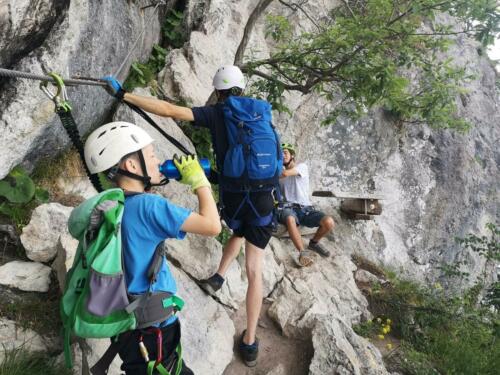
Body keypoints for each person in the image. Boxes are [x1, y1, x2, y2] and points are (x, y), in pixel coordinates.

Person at [102, 65, 279, 367]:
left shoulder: (217, 113)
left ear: (218, 91)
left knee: (237, 230)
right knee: (253, 268)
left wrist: (124, 94)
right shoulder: (262, 114)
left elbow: (170, 110)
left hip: (235, 198)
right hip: (263, 198)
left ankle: (218, 277)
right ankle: (249, 340)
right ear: (241, 89)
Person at [84, 121, 221, 374]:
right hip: (154, 328)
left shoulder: (111, 205)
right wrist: (200, 181)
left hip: (126, 324)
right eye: (151, 155)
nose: (158, 161)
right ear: (132, 165)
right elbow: (213, 226)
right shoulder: (150, 206)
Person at [278, 143, 335, 267]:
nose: (282, 155)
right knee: (289, 218)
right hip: (289, 209)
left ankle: (314, 243)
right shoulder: (280, 178)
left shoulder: (301, 167)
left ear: (292, 155)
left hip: (306, 209)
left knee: (329, 222)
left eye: (285, 152)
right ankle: (302, 253)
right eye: (280, 153)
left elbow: (286, 173)